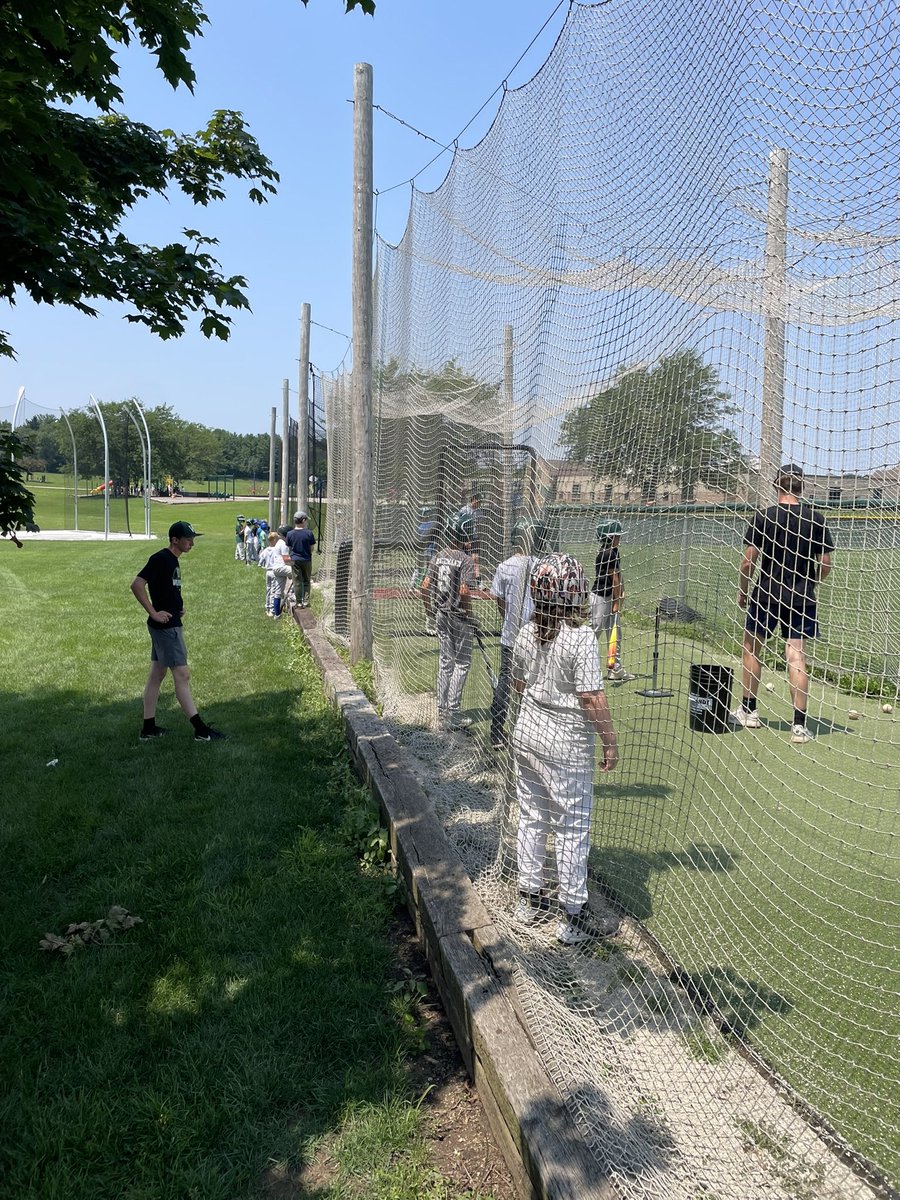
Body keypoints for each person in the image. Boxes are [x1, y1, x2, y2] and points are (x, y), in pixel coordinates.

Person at [511, 553, 619, 945]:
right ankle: (573, 915)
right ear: (573, 592)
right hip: (565, 743)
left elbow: (519, 685)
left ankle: (529, 897)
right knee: (572, 826)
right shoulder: (580, 637)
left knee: (533, 815)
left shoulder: (527, 631)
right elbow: (592, 698)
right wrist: (610, 742)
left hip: (527, 732)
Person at [732, 465, 834, 744]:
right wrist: (810, 583)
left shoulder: (763, 517)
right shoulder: (816, 519)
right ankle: (799, 727)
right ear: (802, 486)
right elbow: (825, 564)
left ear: (777, 485)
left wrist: (743, 592)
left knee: (752, 648)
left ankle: (748, 711)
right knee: (796, 656)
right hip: (801, 597)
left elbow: (747, 562)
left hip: (766, 594)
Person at [130, 520, 226, 742]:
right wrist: (154, 613)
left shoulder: (172, 560)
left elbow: (167, 587)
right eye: (188, 538)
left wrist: (176, 606)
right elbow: (137, 584)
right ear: (175, 539)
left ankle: (148, 729)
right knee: (182, 675)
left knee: (157, 674)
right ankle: (201, 731)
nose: (192, 542)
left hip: (169, 623)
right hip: (166, 628)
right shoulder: (161, 559)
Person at [488, 519, 549, 748]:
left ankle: (496, 733)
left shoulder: (504, 566)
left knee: (506, 680)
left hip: (511, 635)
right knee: (534, 683)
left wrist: (509, 619)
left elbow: (500, 600)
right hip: (535, 636)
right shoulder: (541, 565)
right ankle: (529, 734)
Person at [421, 515, 476, 731]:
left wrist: (429, 611)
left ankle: (441, 709)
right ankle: (453, 713)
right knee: (461, 663)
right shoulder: (465, 559)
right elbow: (464, 590)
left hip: (441, 615)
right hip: (459, 616)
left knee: (445, 662)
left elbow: (425, 586)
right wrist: (469, 614)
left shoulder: (439, 556)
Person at [588, 519, 635, 683]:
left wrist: (621, 593)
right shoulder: (608, 553)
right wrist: (617, 599)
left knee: (615, 633)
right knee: (595, 630)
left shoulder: (613, 551)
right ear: (608, 537)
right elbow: (613, 578)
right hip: (601, 597)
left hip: (609, 596)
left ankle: (615, 668)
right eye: (616, 536)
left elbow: (618, 576)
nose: (619, 538)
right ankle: (585, 666)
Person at [286, 511, 316, 608]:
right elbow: (312, 548)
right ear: (303, 520)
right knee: (307, 580)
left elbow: (289, 549)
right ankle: (306, 601)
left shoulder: (289, 534)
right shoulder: (309, 533)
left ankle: (298, 602)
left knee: (297, 581)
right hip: (306, 559)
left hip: (295, 560)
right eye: (306, 520)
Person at [458, 493, 483, 584]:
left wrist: (479, 536)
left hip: (474, 537)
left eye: (480, 502)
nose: (478, 504)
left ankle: (478, 581)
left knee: (475, 559)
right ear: (473, 500)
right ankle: (463, 580)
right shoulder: (464, 510)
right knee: (464, 558)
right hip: (465, 536)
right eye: (477, 501)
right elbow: (460, 525)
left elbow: (478, 525)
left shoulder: (479, 512)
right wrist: (464, 540)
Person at [258, 530, 281, 616]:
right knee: (273, 590)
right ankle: (272, 610)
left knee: (268, 589)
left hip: (268, 571)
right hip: (274, 571)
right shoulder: (276, 550)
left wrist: (262, 564)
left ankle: (267, 606)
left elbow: (261, 558)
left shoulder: (266, 550)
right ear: (274, 540)